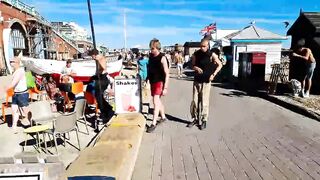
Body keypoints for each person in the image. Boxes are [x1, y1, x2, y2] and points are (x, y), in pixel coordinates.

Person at [187, 39, 222, 130]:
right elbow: (192, 65)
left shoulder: (211, 55)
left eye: (204, 46)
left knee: (204, 102)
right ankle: (195, 118)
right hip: (197, 80)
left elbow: (220, 64)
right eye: (201, 46)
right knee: (194, 101)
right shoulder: (196, 54)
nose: (202, 48)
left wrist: (213, 75)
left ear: (208, 46)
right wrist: (196, 68)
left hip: (206, 81)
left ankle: (204, 120)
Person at [146, 38, 170, 133]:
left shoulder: (162, 58)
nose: (151, 50)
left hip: (160, 82)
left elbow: (167, 73)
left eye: (152, 48)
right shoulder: (151, 57)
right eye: (150, 48)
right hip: (153, 81)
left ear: (157, 48)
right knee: (158, 101)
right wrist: (147, 78)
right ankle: (163, 117)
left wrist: (165, 88)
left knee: (155, 101)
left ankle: (153, 123)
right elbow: (150, 69)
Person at [88, 49, 114, 124]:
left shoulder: (101, 58)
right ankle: (107, 110)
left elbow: (103, 68)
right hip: (99, 78)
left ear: (94, 54)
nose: (91, 57)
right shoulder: (97, 59)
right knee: (98, 97)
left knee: (99, 97)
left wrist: (98, 61)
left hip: (103, 78)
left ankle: (107, 111)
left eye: (92, 55)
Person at [6, 57, 30, 132]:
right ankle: (14, 126)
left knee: (25, 111)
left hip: (22, 94)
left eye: (12, 62)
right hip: (16, 94)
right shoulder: (15, 71)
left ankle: (31, 124)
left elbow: (14, 83)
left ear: (17, 63)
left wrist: (6, 88)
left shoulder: (20, 71)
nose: (10, 63)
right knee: (14, 110)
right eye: (10, 62)